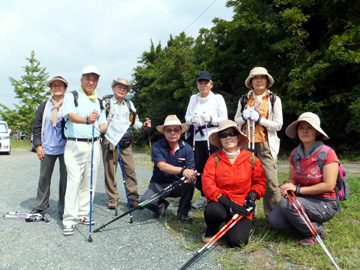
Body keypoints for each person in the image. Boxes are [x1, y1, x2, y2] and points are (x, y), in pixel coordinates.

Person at [268, 112, 339, 246]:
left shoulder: (328, 153)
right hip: (302, 199)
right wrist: (288, 187)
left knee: (285, 204)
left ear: (317, 132)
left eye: (309, 127)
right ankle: (307, 225)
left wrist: (298, 189)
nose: (304, 131)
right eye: (301, 127)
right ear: (297, 131)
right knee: (274, 220)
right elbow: (292, 180)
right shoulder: (295, 154)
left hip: (325, 202)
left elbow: (329, 185)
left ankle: (316, 231)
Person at [201, 120, 266, 247]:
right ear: (219, 140)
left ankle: (231, 227)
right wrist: (228, 204)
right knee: (213, 211)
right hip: (220, 203)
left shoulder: (251, 159)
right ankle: (211, 230)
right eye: (223, 135)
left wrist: (252, 197)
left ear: (238, 137)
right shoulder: (214, 158)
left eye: (231, 133)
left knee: (237, 242)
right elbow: (208, 185)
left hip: (241, 205)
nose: (228, 137)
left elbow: (260, 182)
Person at [62, 65, 108, 236]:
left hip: (94, 144)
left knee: (90, 181)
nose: (91, 82)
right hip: (74, 144)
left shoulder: (99, 101)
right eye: (88, 78)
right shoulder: (71, 96)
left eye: (94, 79)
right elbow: (71, 116)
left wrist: (112, 126)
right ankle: (69, 219)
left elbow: (101, 126)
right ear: (81, 79)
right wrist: (87, 120)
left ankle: (83, 214)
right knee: (74, 181)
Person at [234, 67, 282, 220]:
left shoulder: (274, 99)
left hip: (266, 144)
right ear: (251, 81)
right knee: (246, 180)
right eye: (255, 78)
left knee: (271, 182)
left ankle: (274, 218)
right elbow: (235, 122)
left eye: (262, 78)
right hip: (246, 144)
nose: (259, 80)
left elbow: (278, 125)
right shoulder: (244, 99)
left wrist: (260, 119)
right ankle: (247, 214)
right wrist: (243, 117)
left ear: (267, 81)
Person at [102, 77, 151, 209]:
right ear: (113, 88)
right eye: (119, 87)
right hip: (110, 138)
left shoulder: (129, 104)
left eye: (125, 88)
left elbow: (135, 122)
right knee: (110, 171)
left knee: (130, 170)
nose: (122, 90)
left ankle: (133, 198)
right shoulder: (106, 103)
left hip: (125, 139)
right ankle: (113, 199)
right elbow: (100, 122)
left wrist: (144, 126)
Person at [140, 115, 198, 223]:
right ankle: (161, 206)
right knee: (145, 201)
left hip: (179, 183)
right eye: (169, 130)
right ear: (164, 132)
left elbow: (191, 169)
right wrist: (182, 171)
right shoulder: (157, 146)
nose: (172, 133)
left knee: (190, 183)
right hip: (159, 183)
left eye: (176, 130)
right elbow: (162, 166)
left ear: (181, 131)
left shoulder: (188, 148)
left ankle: (183, 213)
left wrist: (191, 176)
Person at [185, 71, 228, 209]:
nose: (203, 85)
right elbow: (187, 117)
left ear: (211, 84)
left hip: (213, 137)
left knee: (215, 166)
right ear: (197, 84)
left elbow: (224, 118)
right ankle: (204, 196)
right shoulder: (194, 98)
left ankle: (217, 195)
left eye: (206, 82)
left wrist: (211, 119)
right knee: (199, 167)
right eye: (200, 82)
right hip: (197, 138)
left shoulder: (217, 98)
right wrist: (192, 120)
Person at [31, 76, 68, 220]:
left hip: (66, 147)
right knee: (44, 177)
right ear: (51, 88)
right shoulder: (44, 105)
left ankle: (64, 208)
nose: (57, 87)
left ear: (65, 88)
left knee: (65, 179)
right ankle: (40, 205)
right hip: (47, 147)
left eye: (60, 85)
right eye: (54, 85)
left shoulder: (69, 105)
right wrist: (38, 145)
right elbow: (37, 126)